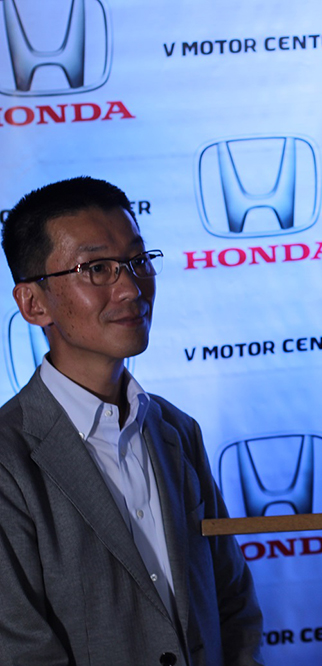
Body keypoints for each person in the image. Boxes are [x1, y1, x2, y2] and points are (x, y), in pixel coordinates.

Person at [0, 177, 264, 665]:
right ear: (33, 303)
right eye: (97, 269)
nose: (130, 288)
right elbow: (20, 650)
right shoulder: (8, 459)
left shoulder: (176, 430)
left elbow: (232, 606)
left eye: (138, 261)